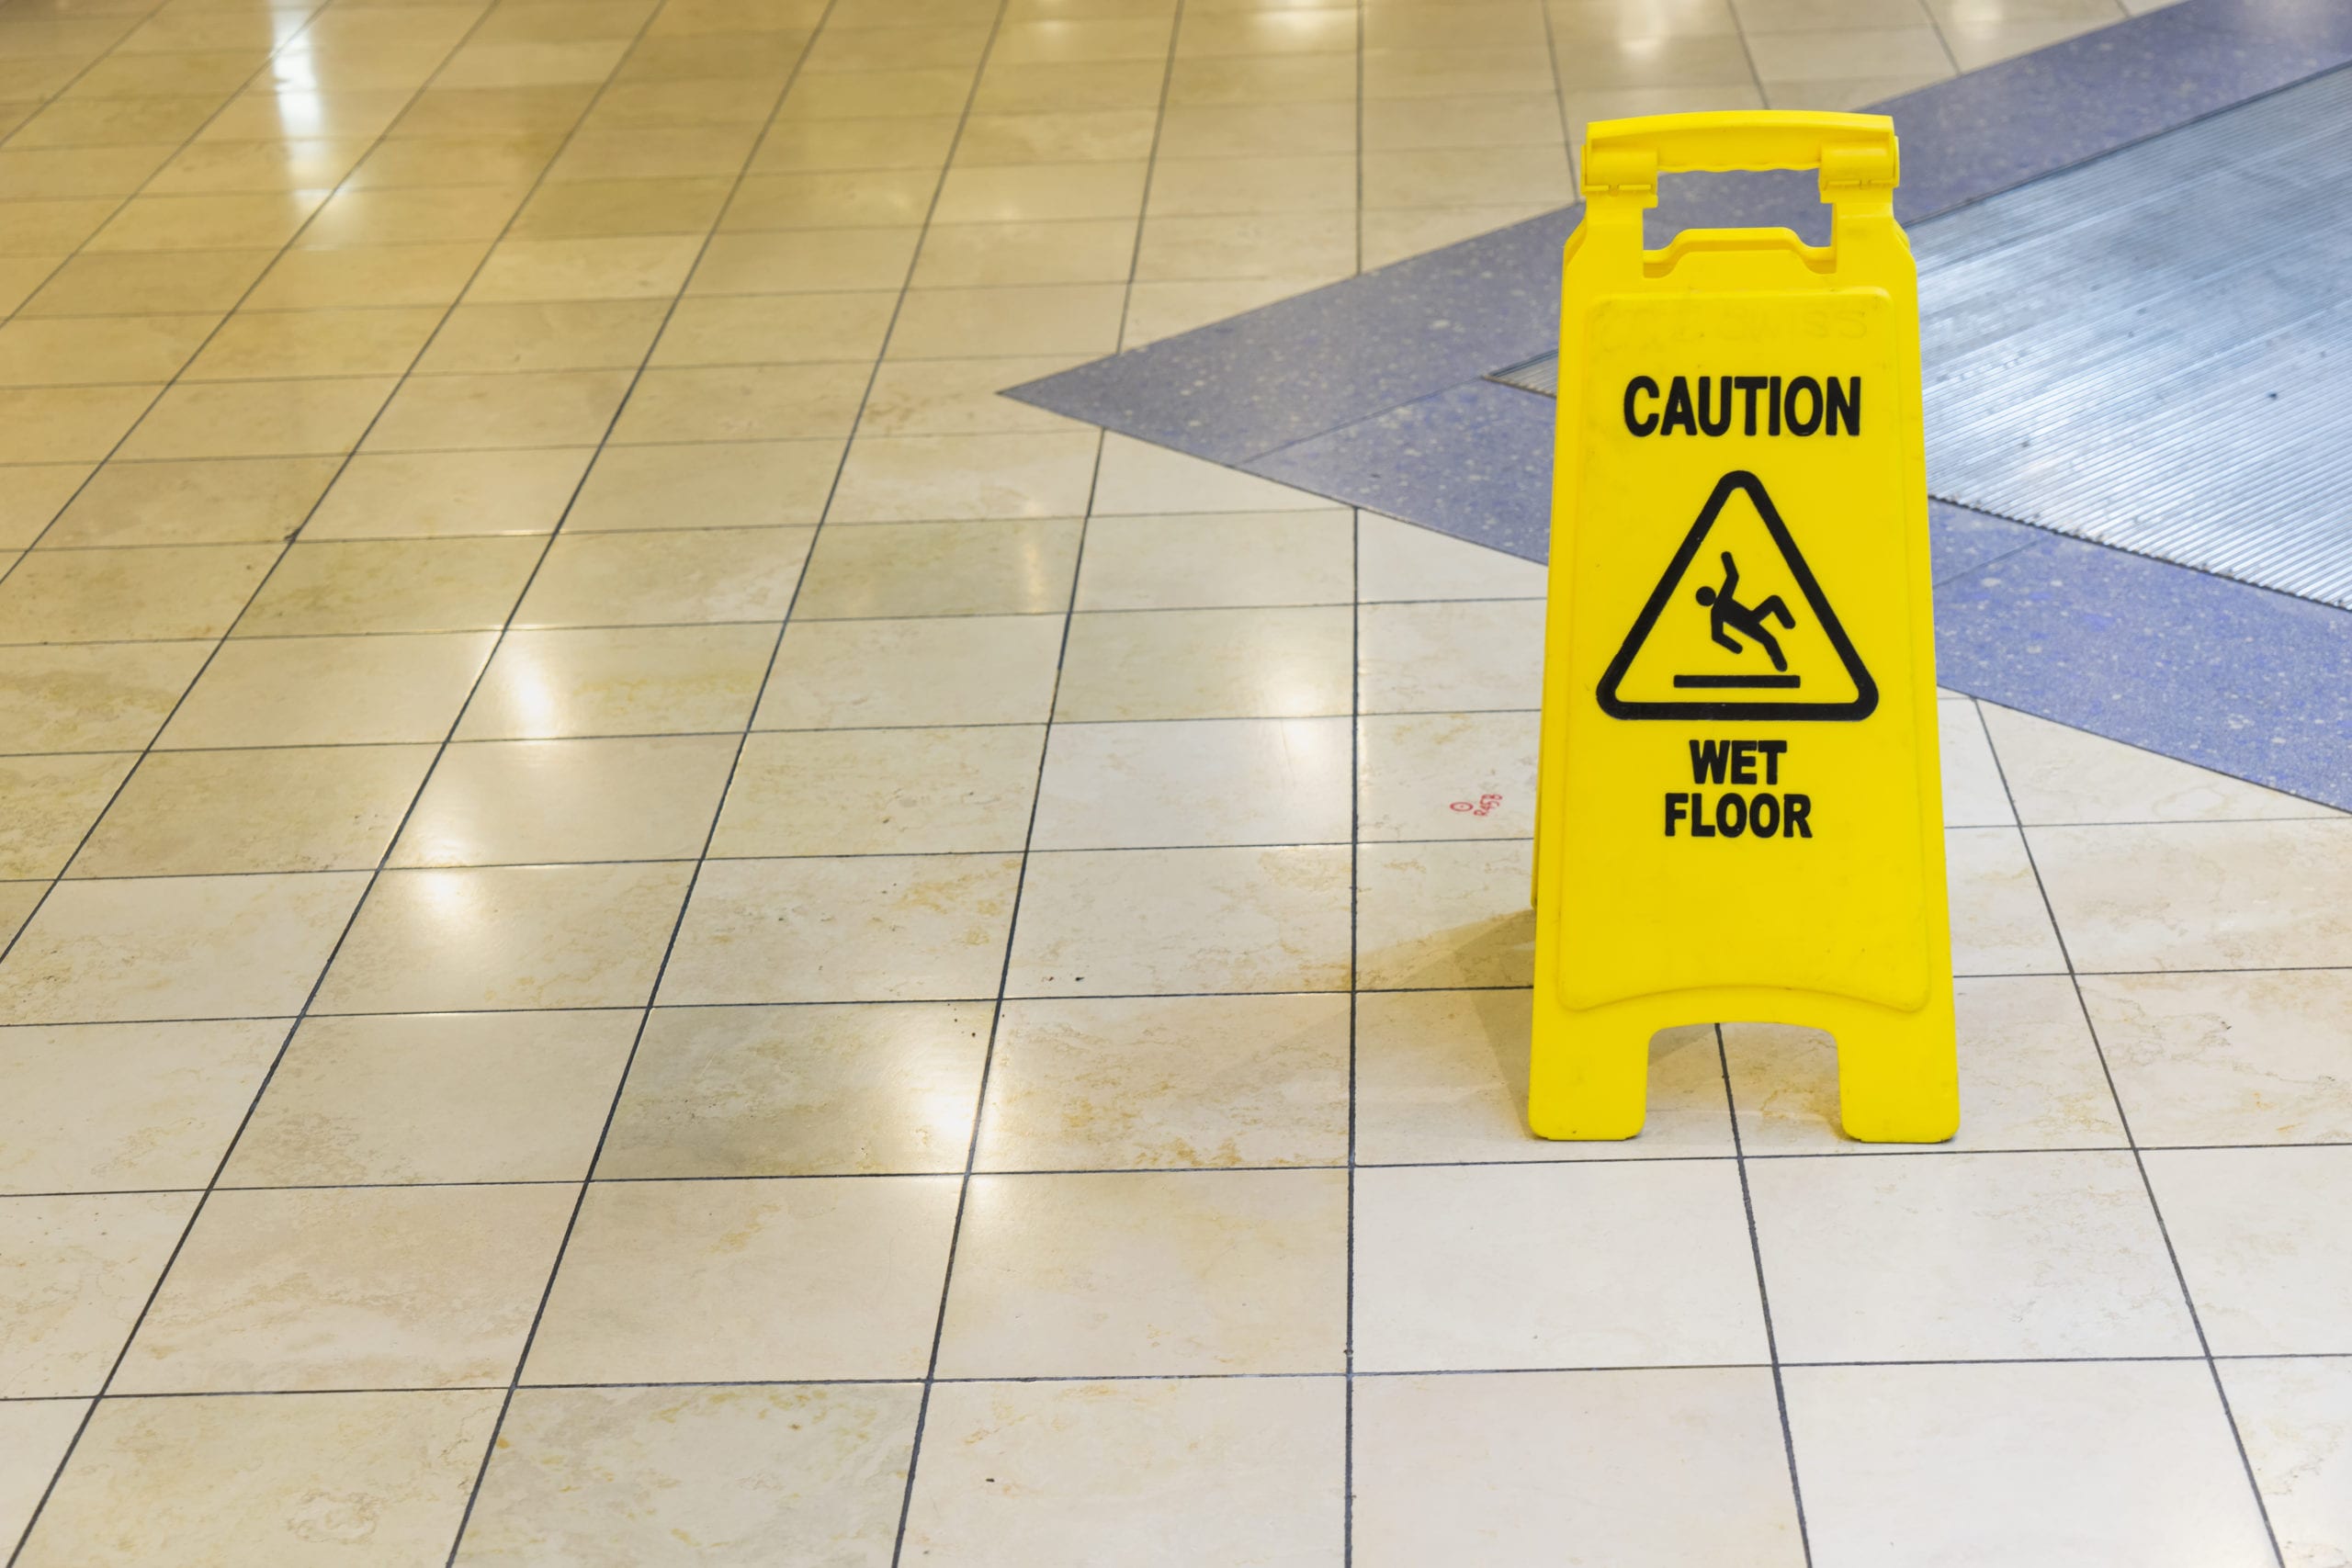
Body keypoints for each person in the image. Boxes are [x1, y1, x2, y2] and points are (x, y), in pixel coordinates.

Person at [1693, 550, 1795, 671]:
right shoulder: (1718, 606)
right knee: (1770, 638)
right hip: (1749, 624)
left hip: (1751, 617)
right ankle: (1782, 666)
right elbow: (1733, 576)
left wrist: (1736, 647)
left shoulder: (1718, 607)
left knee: (1774, 605)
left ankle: (1788, 624)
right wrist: (1736, 647)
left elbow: (1733, 577)